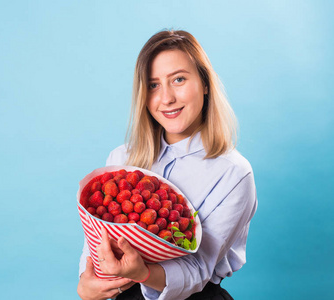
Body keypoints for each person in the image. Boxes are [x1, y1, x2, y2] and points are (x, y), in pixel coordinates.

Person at [77, 29, 257, 300]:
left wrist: (144, 273)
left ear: (205, 83)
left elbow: (198, 269)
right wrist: (87, 282)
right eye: (153, 85)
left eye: (179, 79)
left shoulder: (233, 173)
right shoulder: (120, 160)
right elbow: (96, 241)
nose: (167, 98)